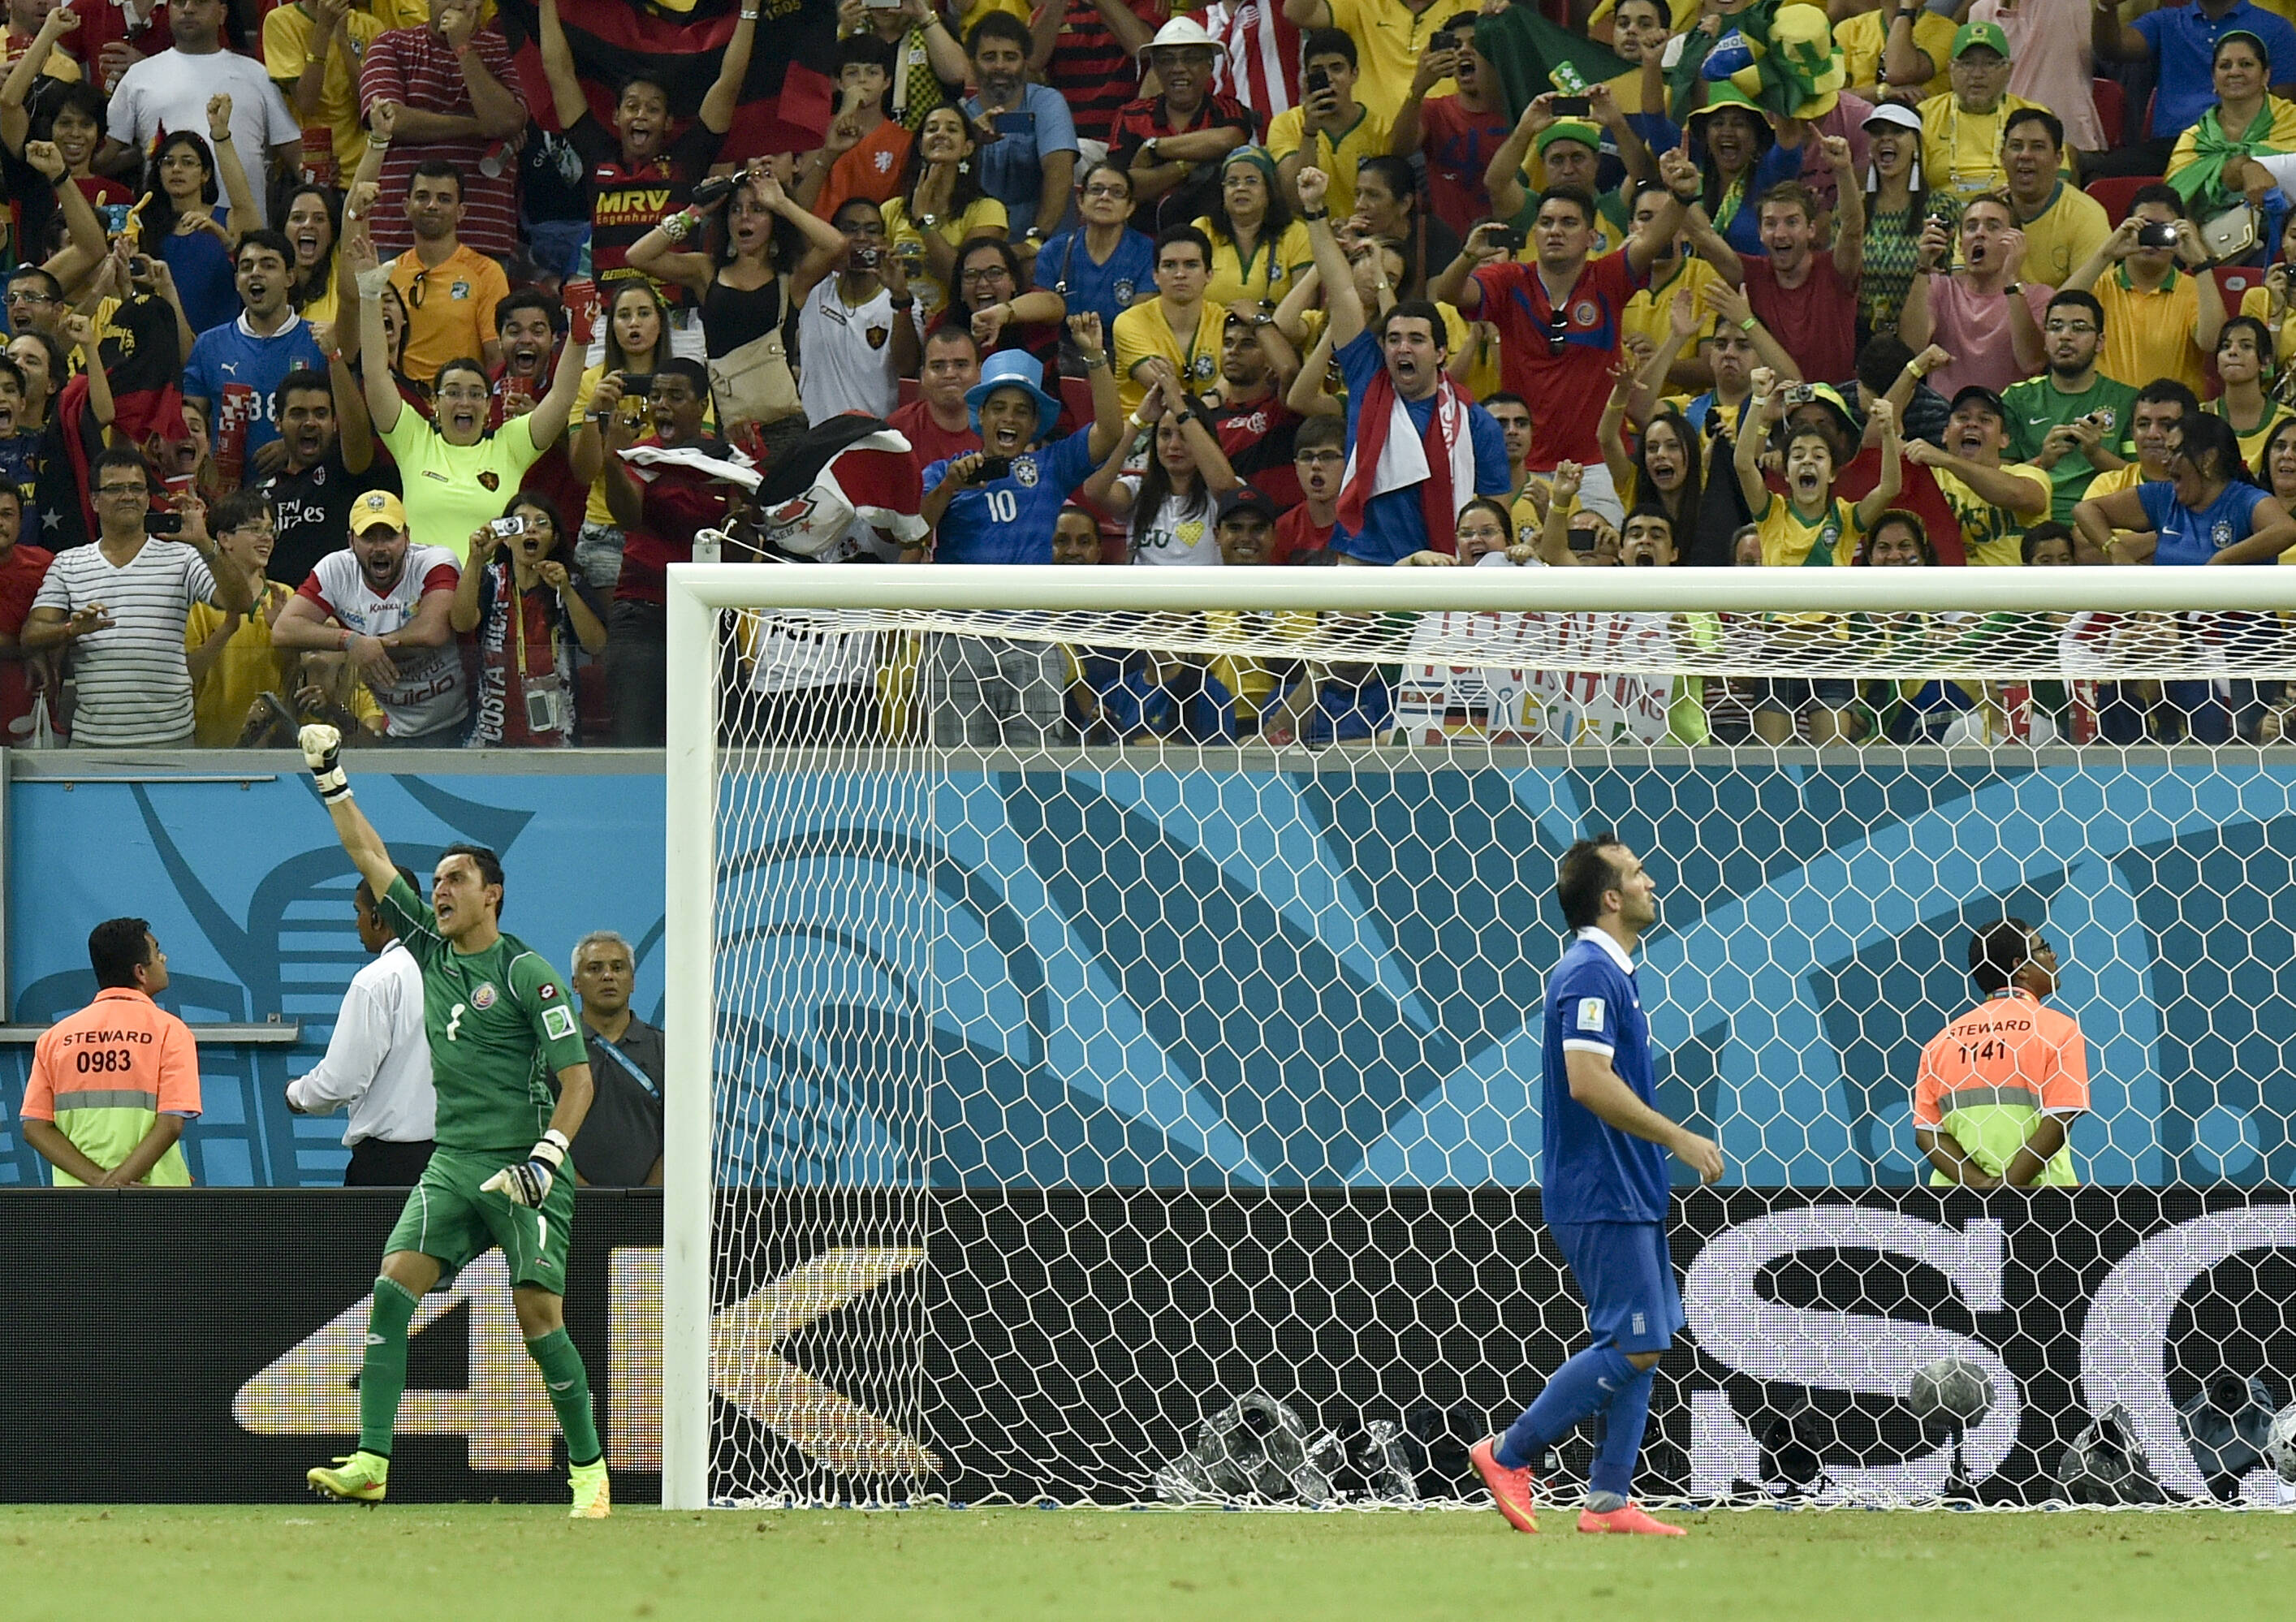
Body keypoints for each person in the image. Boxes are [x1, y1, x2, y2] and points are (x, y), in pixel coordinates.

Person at [296, 725, 607, 1517]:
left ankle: (588, 1472)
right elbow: (367, 857)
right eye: (435, 880)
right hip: (454, 1163)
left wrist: (546, 1157)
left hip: (527, 1170)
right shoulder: (430, 955)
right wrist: (332, 779)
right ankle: (371, 1461)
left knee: (538, 1319)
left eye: (454, 879)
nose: (438, 889)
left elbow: (578, 1079)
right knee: (392, 1293)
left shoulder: (525, 971)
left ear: (490, 894)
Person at [1469, 836, 1722, 1538]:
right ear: (1610, 897)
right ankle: (1508, 1450)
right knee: (1637, 1344)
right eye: (1637, 872)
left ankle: (1608, 1500)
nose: (1650, 880)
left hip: (1627, 1187)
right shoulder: (1587, 972)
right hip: (1600, 1187)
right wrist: (1676, 1136)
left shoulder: (1613, 972)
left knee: (1645, 1336)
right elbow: (1587, 1081)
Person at [1435, 140, 1700, 510]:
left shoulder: (1608, 279)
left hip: (1598, 467)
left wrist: (1683, 197)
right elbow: (1450, 293)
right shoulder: (1510, 281)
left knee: (1598, 559)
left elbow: (1653, 238)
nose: (1555, 231)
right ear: (1534, 234)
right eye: (1545, 222)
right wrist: (1467, 257)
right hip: (1522, 467)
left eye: (1568, 222)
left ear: (1592, 238)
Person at [918, 318, 1124, 744]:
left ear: (1034, 425)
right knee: (958, 774)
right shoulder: (944, 472)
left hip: (1032, 637)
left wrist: (1095, 358)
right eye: (998, 408)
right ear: (981, 417)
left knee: (1036, 775)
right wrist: (951, 487)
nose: (1009, 418)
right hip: (957, 639)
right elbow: (915, 528)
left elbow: (1111, 432)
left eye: (1021, 410)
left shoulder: (1052, 466)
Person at [343, 214, 585, 566]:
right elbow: (376, 375)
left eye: (475, 394)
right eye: (453, 392)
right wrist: (368, 291)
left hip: (490, 599)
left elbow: (563, 396)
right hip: (424, 597)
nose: (464, 401)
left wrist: (580, 335)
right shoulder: (413, 439)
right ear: (434, 404)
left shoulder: (510, 445)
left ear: (490, 407)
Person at [1297, 166, 1508, 565]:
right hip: (1363, 563)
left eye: (1415, 340)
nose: (1401, 349)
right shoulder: (1368, 377)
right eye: (1393, 340)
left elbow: (1495, 516)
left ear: (1441, 352)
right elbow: (1342, 290)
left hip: (1441, 574)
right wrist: (1314, 211)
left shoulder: (1476, 423)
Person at [537, 0, 756, 364]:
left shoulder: (688, 160)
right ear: (616, 115)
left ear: (669, 122)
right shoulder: (597, 157)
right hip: (608, 322)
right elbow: (557, 72)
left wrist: (749, 9)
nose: (641, 115)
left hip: (677, 324)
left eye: (653, 108)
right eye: (633, 106)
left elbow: (729, 82)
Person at [21, 446, 252, 746]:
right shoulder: (68, 563)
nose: (128, 496)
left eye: (136, 488)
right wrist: (71, 630)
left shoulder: (183, 557)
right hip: (93, 743)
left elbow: (241, 603)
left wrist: (204, 543)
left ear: (147, 497)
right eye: (115, 489)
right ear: (94, 500)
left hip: (172, 740)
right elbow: (31, 635)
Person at [628, 166, 850, 438]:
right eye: (735, 209)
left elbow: (836, 244)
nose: (744, 217)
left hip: (781, 428)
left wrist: (782, 203)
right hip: (726, 422)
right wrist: (696, 212)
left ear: (774, 220)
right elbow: (638, 256)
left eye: (757, 209)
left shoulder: (791, 279)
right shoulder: (706, 271)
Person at [598, 358, 736, 746]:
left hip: (708, 618)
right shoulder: (640, 455)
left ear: (702, 405)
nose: (662, 404)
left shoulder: (727, 460)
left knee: (710, 741)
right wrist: (611, 461)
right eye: (655, 395)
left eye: (676, 396)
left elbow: (744, 536)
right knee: (635, 740)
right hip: (643, 613)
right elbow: (628, 517)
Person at [272, 489, 465, 745]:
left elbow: (432, 631)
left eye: (390, 536)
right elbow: (283, 630)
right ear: (351, 541)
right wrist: (352, 642)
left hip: (457, 721)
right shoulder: (335, 569)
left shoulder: (435, 561)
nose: (380, 547)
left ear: (407, 537)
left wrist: (370, 646)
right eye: (369, 537)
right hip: (395, 728)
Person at [286, 864, 438, 1188]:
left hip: (389, 1171)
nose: (356, 922)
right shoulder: (456, 972)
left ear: (377, 918)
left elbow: (340, 1083)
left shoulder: (377, 981)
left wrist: (297, 1095)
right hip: (455, 1166)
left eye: (359, 911)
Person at [20, 918, 201, 1188]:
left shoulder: (55, 1038)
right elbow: (171, 1123)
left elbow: (34, 1127)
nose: (164, 957)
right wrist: (118, 1185)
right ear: (140, 972)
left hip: (77, 1204)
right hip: (153, 1201)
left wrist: (99, 1183)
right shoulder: (170, 1031)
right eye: (156, 950)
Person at [1914, 920, 2090, 1188]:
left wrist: (1983, 1187)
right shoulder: (2058, 1030)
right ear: (2020, 967)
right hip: (2042, 1202)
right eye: (2044, 947)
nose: (2053, 955)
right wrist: (2007, 1192)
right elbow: (2059, 1120)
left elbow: (1928, 1135)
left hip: (1957, 1205)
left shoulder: (1940, 1042)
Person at [356, 0, 527, 263]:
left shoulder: (504, 50)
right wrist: (479, 126)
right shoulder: (390, 44)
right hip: (398, 234)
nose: (457, 3)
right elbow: (392, 120)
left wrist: (462, 47)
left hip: (482, 235)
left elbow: (507, 121)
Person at [105, 0, 299, 225]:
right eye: (179, 2)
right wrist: (149, 152)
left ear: (222, 13)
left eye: (200, 2)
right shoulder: (138, 76)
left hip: (246, 241)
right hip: (164, 234)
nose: (188, 9)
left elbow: (293, 150)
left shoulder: (257, 75)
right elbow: (103, 157)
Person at [451, 492, 608, 749]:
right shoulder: (490, 580)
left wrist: (567, 592)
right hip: (492, 731)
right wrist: (475, 561)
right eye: (520, 523)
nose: (531, 529)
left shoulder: (571, 583)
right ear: (507, 539)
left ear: (554, 538)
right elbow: (461, 623)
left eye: (541, 523)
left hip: (558, 737)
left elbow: (596, 645)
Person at [183, 229, 330, 490]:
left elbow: (346, 426)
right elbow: (189, 428)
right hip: (229, 502)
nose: (255, 273)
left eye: (268, 265)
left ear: (290, 278)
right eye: (246, 266)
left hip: (304, 495)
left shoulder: (319, 342)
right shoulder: (209, 345)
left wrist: (295, 444)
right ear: (237, 280)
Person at [2092, 0, 2296, 181]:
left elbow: (2281, 103)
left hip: (2249, 145)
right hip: (2174, 146)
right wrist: (2105, 6)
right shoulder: (2167, 20)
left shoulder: (2277, 28)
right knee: (2099, 174)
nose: (2235, 72)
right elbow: (2113, 49)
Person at [2063, 188, 2227, 396]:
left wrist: (2199, 264)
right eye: (2145, 227)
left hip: (2173, 417)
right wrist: (2104, 255)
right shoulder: (2097, 285)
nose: (2153, 238)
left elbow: (2211, 341)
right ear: (2127, 228)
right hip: (2107, 414)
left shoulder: (2194, 289)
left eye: (2163, 229)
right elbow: (2059, 314)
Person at [1723, 156, 1866, 390]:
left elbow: (1852, 229)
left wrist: (1843, 169)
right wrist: (1680, 193)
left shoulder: (1835, 269)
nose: (1780, 233)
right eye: (1770, 224)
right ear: (1759, 232)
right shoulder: (1752, 273)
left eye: (1791, 222)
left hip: (1835, 407)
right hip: (1774, 408)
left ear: (1811, 229)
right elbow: (1703, 237)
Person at [1111, 16, 1259, 235]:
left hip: (1217, 240)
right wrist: (1187, 165)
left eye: (1191, 58)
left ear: (1209, 66)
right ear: (1156, 69)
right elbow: (1122, 188)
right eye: (1167, 60)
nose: (1178, 68)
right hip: (1144, 241)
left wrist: (1155, 148)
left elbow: (1228, 140)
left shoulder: (1227, 109)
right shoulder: (1131, 115)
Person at [1898, 191, 2048, 401]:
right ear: (1961, 245)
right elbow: (1910, 350)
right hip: (1945, 417)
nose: (1980, 233)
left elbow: (2031, 362)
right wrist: (1923, 268)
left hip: (2009, 417)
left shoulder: (2038, 296)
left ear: (2016, 242)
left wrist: (2012, 279)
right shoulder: (1940, 288)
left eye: (1993, 226)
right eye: (1971, 227)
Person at [2003, 291, 2136, 524]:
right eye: (2055, 327)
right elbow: (1997, 478)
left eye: (2079, 328)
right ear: (2045, 339)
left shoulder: (2128, 400)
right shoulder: (2016, 398)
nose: (2065, 336)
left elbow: (2139, 479)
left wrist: (2096, 454)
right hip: (2033, 522)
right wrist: (2042, 461)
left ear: (2100, 342)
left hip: (2101, 520)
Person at [183, 487, 293, 746]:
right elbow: (186, 675)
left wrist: (284, 636)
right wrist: (227, 628)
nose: (266, 538)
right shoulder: (199, 601)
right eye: (255, 529)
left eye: (270, 530)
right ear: (224, 539)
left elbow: (297, 678)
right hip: (210, 748)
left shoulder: (284, 596)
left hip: (274, 746)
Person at [383, 161, 508, 386]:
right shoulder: (388, 275)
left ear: (461, 212)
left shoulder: (487, 272)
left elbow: (496, 358)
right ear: (405, 206)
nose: (432, 205)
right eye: (422, 197)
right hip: (400, 403)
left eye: (444, 199)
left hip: (461, 405)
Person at [796, 197, 918, 425]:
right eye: (850, 229)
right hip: (815, 439)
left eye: (871, 231)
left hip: (874, 439)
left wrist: (900, 297)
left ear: (884, 240)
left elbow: (908, 368)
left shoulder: (903, 302)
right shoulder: (813, 291)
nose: (861, 238)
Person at [962, 11, 1077, 253]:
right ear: (972, 62)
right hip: (981, 248)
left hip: (1046, 246)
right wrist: (970, 143)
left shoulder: (1048, 102)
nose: (1000, 66)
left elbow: (1059, 173)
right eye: (990, 57)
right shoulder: (961, 115)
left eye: (1010, 57)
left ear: (1025, 62)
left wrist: (1035, 240)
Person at [881, 104, 1007, 321]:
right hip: (896, 320)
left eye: (951, 129)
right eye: (932, 129)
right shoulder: (891, 209)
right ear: (921, 146)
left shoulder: (987, 210)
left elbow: (962, 280)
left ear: (968, 148)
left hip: (953, 326)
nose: (940, 134)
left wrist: (923, 220)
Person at [1902, 385, 2052, 567]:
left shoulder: (2027, 474)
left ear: (2004, 440)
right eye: (1962, 417)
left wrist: (1948, 460)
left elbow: (2023, 497)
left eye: (1985, 419)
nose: (1972, 424)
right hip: (1945, 589)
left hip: (2012, 589)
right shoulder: (1928, 476)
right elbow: (1874, 444)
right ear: (1945, 433)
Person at [262, 366, 382, 588]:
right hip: (278, 614)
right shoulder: (260, 493)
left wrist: (334, 357)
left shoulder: (347, 471)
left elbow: (357, 430)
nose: (310, 423)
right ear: (278, 423)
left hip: (340, 611)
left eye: (320, 413)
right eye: (298, 413)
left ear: (335, 423)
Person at [131, 123, 255, 337]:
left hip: (222, 346)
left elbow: (253, 265)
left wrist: (221, 236)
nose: (176, 169)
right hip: (162, 346)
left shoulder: (228, 219)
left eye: (187, 163)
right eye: (168, 162)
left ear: (205, 174)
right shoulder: (143, 224)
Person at [1391, 14, 1507, 241]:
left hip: (1507, 245)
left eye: (1476, 43)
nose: (1464, 51)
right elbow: (1398, 152)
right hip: (1448, 248)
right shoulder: (1434, 111)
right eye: (1455, 46)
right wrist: (1418, 88)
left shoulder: (1520, 110)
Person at [568, 930, 664, 1189]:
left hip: (652, 1211)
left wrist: (647, 1199)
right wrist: (584, 1196)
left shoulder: (665, 1050)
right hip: (569, 1208)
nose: (607, 975)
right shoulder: (555, 1050)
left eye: (618, 968)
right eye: (595, 968)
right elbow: (539, 1131)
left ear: (632, 981)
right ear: (575, 984)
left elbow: (682, 1136)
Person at [1268, 28, 1388, 226]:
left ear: (1354, 74)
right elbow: (1296, 200)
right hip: (1307, 241)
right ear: (1306, 78)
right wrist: (1310, 132)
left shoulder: (1380, 128)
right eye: (1318, 72)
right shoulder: (1285, 124)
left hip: (1364, 236)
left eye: (1337, 68)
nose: (1329, 77)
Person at [264, 0, 387, 191]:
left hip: (361, 174)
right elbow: (307, 103)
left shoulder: (370, 26)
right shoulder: (281, 21)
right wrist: (323, 29)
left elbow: (369, 110)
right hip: (309, 171)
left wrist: (344, 43)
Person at [1033, 159, 1157, 340]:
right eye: (1096, 189)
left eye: (1117, 192)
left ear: (1130, 208)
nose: (1105, 197)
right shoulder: (1054, 250)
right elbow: (1045, 307)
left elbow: (1139, 321)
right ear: (1080, 201)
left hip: (1127, 346)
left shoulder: (1148, 251)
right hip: (1066, 348)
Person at [1279, 0, 1455, 127]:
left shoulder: (1471, 4)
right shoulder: (1361, 4)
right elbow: (1298, 14)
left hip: (1446, 140)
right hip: (1372, 145)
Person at [1916, 22, 2039, 200]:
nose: (1977, 74)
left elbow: (2054, 185)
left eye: (1989, 64)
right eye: (1967, 64)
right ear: (1951, 68)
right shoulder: (1924, 115)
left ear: (2008, 70)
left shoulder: (2034, 117)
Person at [1113, 224, 1226, 416]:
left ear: (1209, 275)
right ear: (1155, 276)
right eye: (1169, 265)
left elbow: (1236, 377)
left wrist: (1212, 399)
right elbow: (1163, 388)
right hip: (1145, 431)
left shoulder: (1225, 321)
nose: (1180, 274)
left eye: (1191, 265)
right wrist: (1200, 414)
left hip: (1212, 425)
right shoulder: (1129, 322)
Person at [1195, 146, 1310, 316]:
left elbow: (1304, 305)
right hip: (1209, 335)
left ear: (1269, 191)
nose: (1241, 188)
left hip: (1275, 334)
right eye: (1232, 182)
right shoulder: (1203, 229)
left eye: (1251, 181)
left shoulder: (1296, 233)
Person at [939, 235, 1069, 377]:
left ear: (1013, 281)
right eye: (971, 275)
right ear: (961, 288)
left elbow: (1055, 304)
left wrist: (1003, 312)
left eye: (995, 273)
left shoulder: (1032, 315)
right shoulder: (945, 322)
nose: (983, 283)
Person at [1858, 103, 1927, 343]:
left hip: (1920, 337)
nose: (1886, 138)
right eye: (1877, 132)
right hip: (1859, 338)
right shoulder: (1852, 208)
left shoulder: (1938, 208)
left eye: (1898, 131)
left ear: (1916, 144)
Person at [2210, 316, 2296, 471]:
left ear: (2266, 362)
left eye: (2246, 346)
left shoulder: (2289, 423)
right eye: (2225, 346)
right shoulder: (2201, 417)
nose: (2233, 352)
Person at [890, 325, 986, 464]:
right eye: (937, 366)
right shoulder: (896, 432)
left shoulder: (998, 426)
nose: (949, 374)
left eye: (961, 365)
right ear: (922, 375)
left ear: (979, 372)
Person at [1274, 411, 1343, 563]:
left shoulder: (1366, 524)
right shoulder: (1283, 529)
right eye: (1307, 457)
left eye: (1328, 456)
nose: (1316, 465)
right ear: (1296, 466)